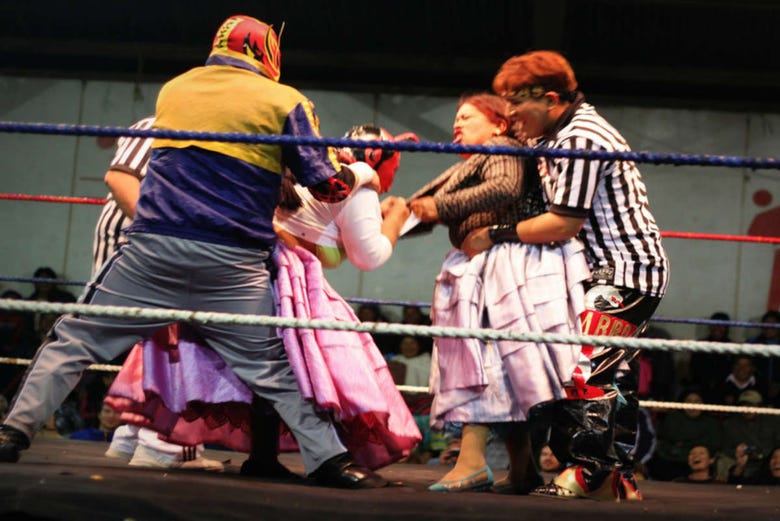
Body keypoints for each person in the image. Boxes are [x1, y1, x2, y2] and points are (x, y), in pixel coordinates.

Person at [0, 14, 389, 489]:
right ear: (268, 53)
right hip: (232, 264)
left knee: (73, 340)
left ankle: (12, 433)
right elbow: (327, 186)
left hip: (153, 252)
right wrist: (363, 175)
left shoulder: (175, 88)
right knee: (272, 368)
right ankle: (330, 460)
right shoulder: (286, 100)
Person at [105, 123, 422, 474]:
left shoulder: (290, 169)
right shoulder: (351, 183)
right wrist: (394, 218)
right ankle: (167, 444)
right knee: (287, 364)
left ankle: (141, 435)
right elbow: (369, 257)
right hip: (275, 274)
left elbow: (315, 241)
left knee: (207, 348)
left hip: (235, 260)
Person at [462, 50, 670, 501]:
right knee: (612, 373)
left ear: (552, 99)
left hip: (625, 268)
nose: (511, 114)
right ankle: (619, 479)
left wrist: (494, 234)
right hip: (592, 269)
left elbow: (564, 222)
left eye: (518, 103)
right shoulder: (552, 136)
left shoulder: (582, 137)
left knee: (585, 365)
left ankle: (586, 471)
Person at [409, 92, 590, 494]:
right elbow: (439, 207)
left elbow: (504, 188)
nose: (457, 123)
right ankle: (522, 467)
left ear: (498, 124)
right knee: (505, 364)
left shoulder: (502, 148)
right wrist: (408, 213)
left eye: (467, 116)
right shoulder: (478, 159)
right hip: (498, 262)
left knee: (484, 356)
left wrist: (433, 208)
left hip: (505, 263)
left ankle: (471, 461)